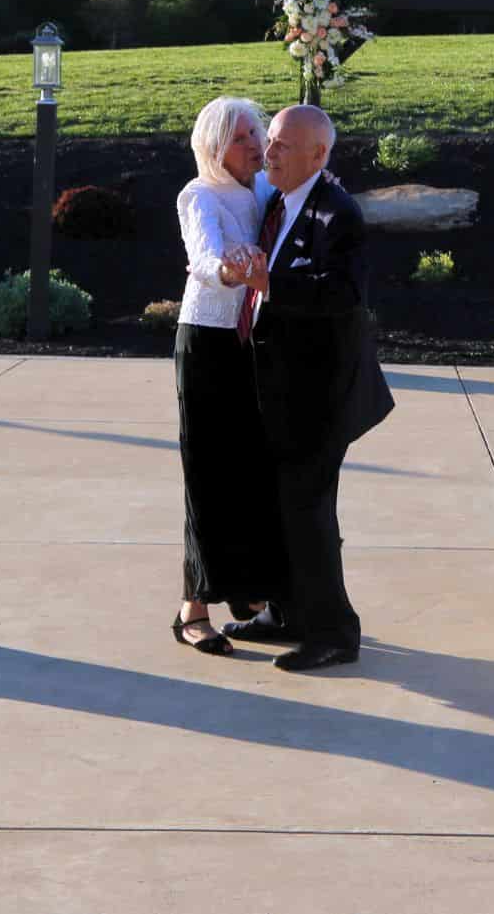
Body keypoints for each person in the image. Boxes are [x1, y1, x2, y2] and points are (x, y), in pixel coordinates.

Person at [222, 104, 394, 672]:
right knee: (281, 508)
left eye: (282, 146)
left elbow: (343, 295)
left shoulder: (336, 213)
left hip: (320, 396)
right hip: (280, 390)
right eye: (268, 141)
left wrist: (272, 282)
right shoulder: (278, 203)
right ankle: (286, 610)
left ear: (318, 156)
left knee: (309, 512)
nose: (269, 153)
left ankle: (334, 632)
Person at [168, 96, 288, 654]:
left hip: (254, 344)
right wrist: (228, 270)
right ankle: (193, 607)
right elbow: (203, 258)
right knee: (208, 474)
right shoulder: (199, 194)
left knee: (253, 471)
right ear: (216, 146)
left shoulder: (265, 190)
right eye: (242, 138)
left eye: (256, 134)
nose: (255, 146)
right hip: (208, 343)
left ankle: (250, 594)